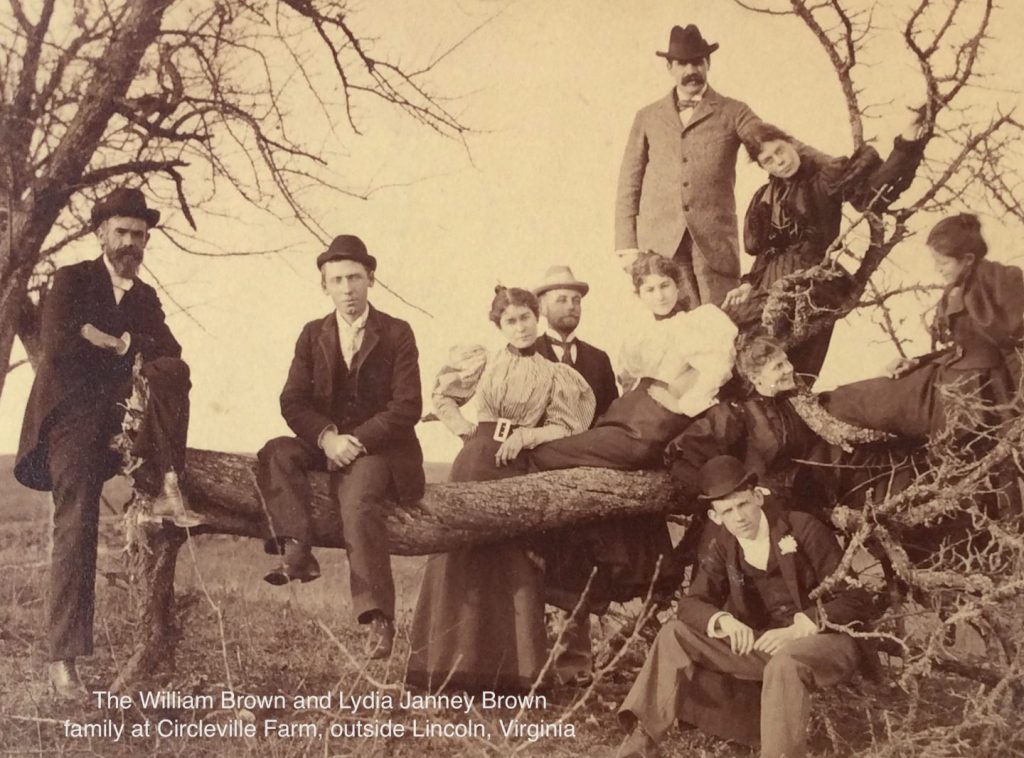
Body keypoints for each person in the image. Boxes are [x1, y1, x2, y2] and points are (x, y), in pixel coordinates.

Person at [15, 187, 196, 698]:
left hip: (121, 418)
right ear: (101, 233)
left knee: (172, 371)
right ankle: (64, 661)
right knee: (76, 522)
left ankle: (166, 481)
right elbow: (60, 348)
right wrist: (128, 353)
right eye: (121, 232)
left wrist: (116, 342)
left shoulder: (145, 298)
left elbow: (172, 355)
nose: (130, 242)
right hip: (71, 415)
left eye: (139, 235)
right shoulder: (71, 280)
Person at [614, 456, 874, 758]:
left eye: (742, 504)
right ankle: (641, 743)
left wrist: (804, 625)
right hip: (765, 646)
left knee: (786, 662)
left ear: (757, 497)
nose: (738, 517)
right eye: (727, 511)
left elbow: (856, 600)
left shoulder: (804, 529)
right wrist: (723, 620)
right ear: (715, 516)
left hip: (827, 641)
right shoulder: (724, 544)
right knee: (674, 633)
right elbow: (692, 602)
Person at [407, 286, 595, 692]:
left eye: (526, 317)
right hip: (475, 462)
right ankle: (445, 672)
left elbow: (567, 425)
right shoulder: (485, 362)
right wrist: (463, 430)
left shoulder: (555, 373)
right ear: (499, 326)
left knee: (514, 562)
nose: (521, 327)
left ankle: (513, 676)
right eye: (510, 321)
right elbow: (443, 396)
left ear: (537, 317)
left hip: (518, 465)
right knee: (460, 559)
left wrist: (527, 437)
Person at [256, 235, 425, 660]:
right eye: (337, 280)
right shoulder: (313, 334)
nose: (347, 288)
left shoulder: (397, 332)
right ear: (324, 287)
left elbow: (407, 406)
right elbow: (291, 401)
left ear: (370, 279)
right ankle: (296, 552)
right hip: (328, 441)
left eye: (354, 278)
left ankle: (377, 619)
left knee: (358, 501)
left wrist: (358, 440)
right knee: (276, 452)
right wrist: (328, 438)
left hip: (380, 448)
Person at [721, 112, 927, 378]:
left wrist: (907, 142)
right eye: (768, 160)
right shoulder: (766, 196)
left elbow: (873, 191)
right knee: (734, 333)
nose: (779, 162)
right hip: (771, 281)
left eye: (780, 151)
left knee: (793, 362)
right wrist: (748, 282)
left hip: (813, 282)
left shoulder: (823, 179)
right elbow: (766, 251)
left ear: (791, 143)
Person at [824, 214, 1024, 443]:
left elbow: (1013, 347)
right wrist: (917, 362)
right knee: (849, 400)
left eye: (943, 263)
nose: (938, 270)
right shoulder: (958, 286)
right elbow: (964, 348)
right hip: (948, 377)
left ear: (968, 259)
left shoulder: (998, 284)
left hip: (978, 395)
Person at [614, 24, 769, 307]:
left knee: (721, 328)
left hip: (715, 248)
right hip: (660, 248)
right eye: (682, 64)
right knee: (672, 331)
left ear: (708, 63)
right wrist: (627, 246)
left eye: (697, 62)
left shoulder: (734, 111)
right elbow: (629, 182)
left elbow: (770, 143)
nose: (690, 71)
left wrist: (827, 166)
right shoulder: (647, 117)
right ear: (669, 68)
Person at [664, 335, 891, 517]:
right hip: (766, 509)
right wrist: (724, 491)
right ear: (755, 377)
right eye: (778, 366)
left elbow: (841, 408)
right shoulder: (736, 412)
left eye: (786, 360)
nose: (789, 369)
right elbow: (682, 454)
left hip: (810, 501)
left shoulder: (797, 403)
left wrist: (884, 379)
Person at [533, 265, 618, 421]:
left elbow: (612, 417)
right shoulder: (528, 355)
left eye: (576, 300)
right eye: (561, 300)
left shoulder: (599, 359)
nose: (571, 306)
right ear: (542, 308)